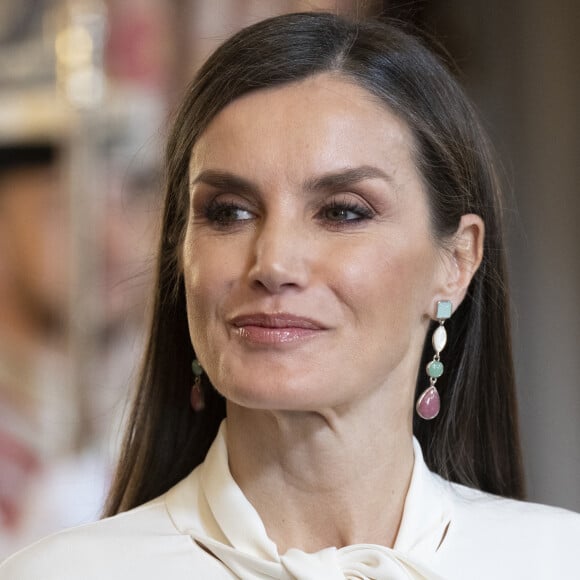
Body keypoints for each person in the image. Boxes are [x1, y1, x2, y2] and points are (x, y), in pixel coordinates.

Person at [1, 11, 578, 579]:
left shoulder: (556, 558)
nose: (273, 263)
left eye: (342, 211)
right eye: (229, 212)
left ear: (456, 261)